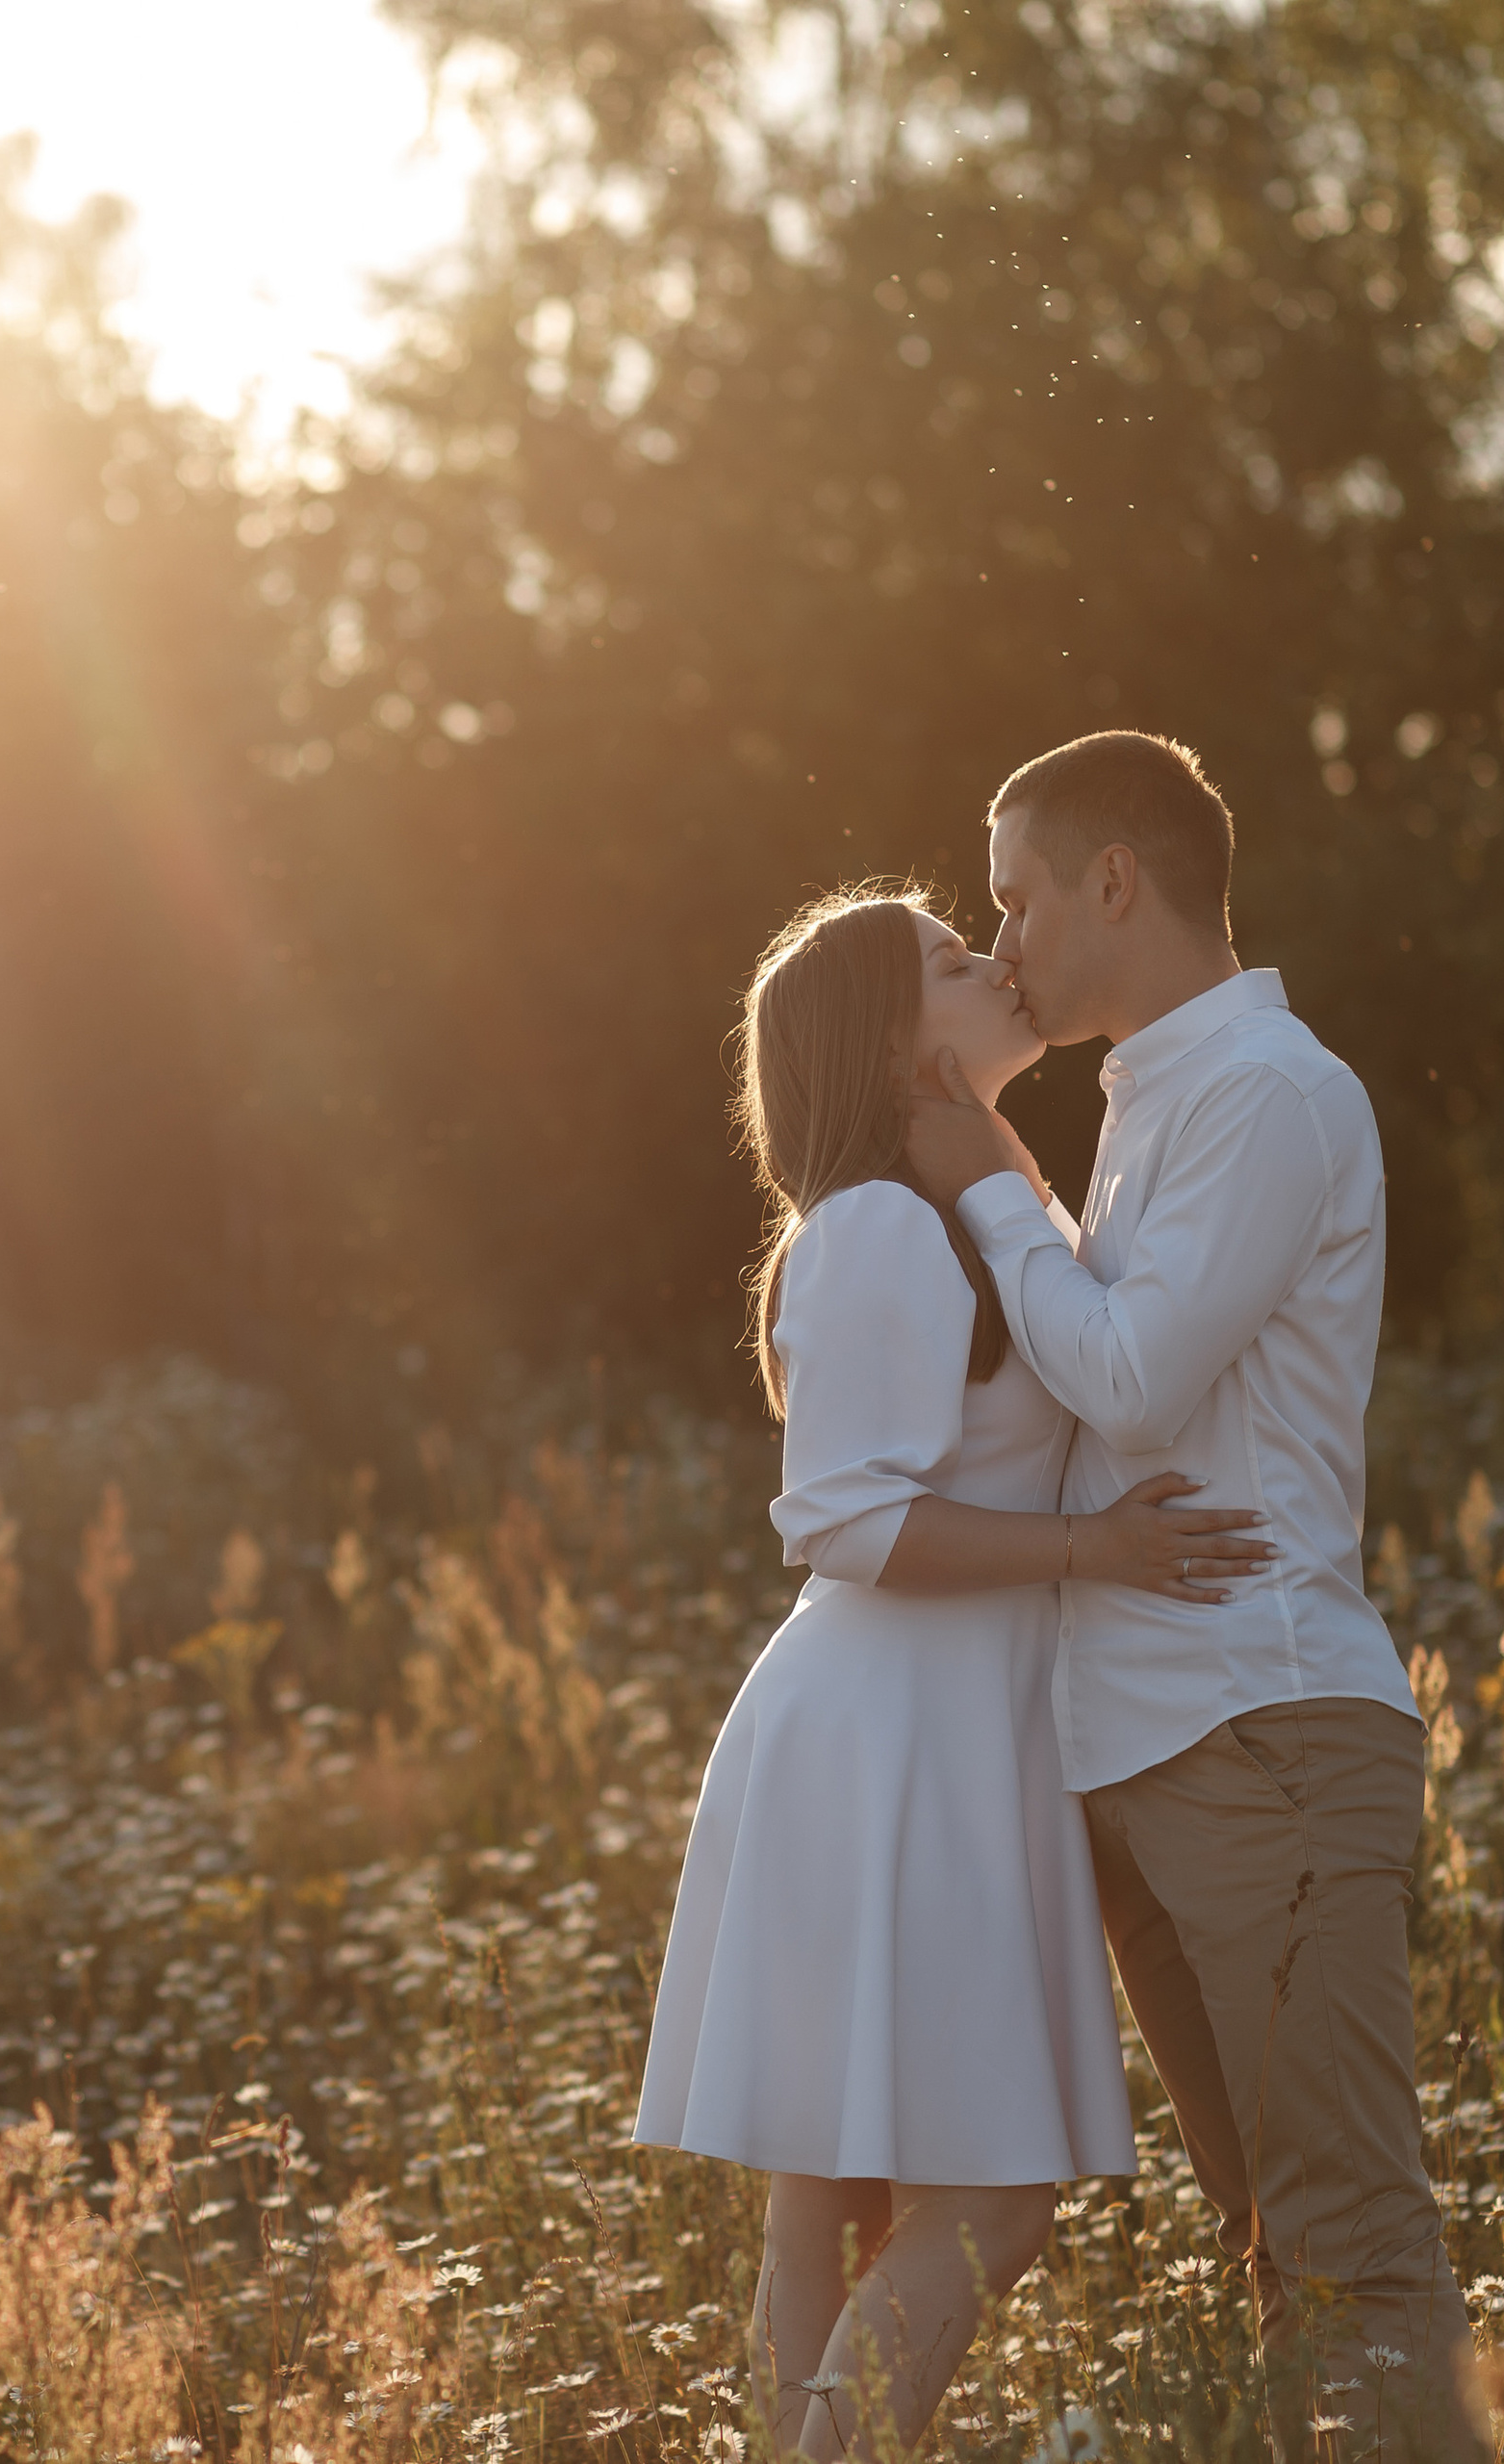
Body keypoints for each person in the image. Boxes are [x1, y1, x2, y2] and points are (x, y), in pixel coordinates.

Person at [633, 885, 1277, 2461]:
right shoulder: (873, 1227)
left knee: (837, 2188)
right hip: (890, 1739)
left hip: (951, 1727)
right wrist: (1095, 1550)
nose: (989, 958)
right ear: (891, 1040)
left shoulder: (973, 1199)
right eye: (945, 957)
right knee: (985, 2198)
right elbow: (844, 1520)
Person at [904, 730, 1480, 2464]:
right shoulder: (1155, 1097)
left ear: (1115, 881)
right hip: (1151, 1747)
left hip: (1265, 1728)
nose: (1000, 941)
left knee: (1350, 2249)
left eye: (1014, 898)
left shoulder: (1269, 1094)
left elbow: (1135, 1378)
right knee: (1276, 2254)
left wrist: (992, 1186)